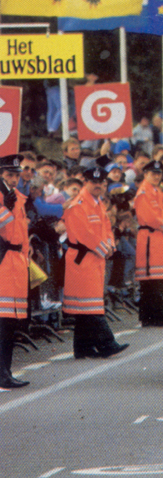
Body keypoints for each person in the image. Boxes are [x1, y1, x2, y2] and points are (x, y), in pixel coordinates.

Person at [63, 167, 129, 359]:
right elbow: (83, 234)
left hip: (95, 259)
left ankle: (82, 348)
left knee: (86, 306)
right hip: (83, 259)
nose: (98, 185)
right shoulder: (78, 205)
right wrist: (104, 249)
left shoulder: (98, 203)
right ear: (86, 182)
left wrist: (109, 246)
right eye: (94, 182)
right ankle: (107, 343)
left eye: (101, 183)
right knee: (91, 306)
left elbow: (107, 228)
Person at [0, 155, 30, 388]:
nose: (14, 179)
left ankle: (5, 372)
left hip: (17, 262)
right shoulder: (6, 198)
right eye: (9, 174)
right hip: (4, 261)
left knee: (9, 322)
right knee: (3, 322)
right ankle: (3, 374)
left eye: (16, 175)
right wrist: (6, 208)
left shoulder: (18, 197)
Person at [134, 160, 163, 326]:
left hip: (158, 238)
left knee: (156, 279)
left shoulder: (156, 191)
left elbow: (162, 213)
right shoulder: (144, 192)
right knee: (152, 280)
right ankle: (159, 315)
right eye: (153, 173)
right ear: (145, 174)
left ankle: (151, 316)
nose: (157, 176)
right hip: (150, 238)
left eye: (159, 174)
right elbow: (150, 217)